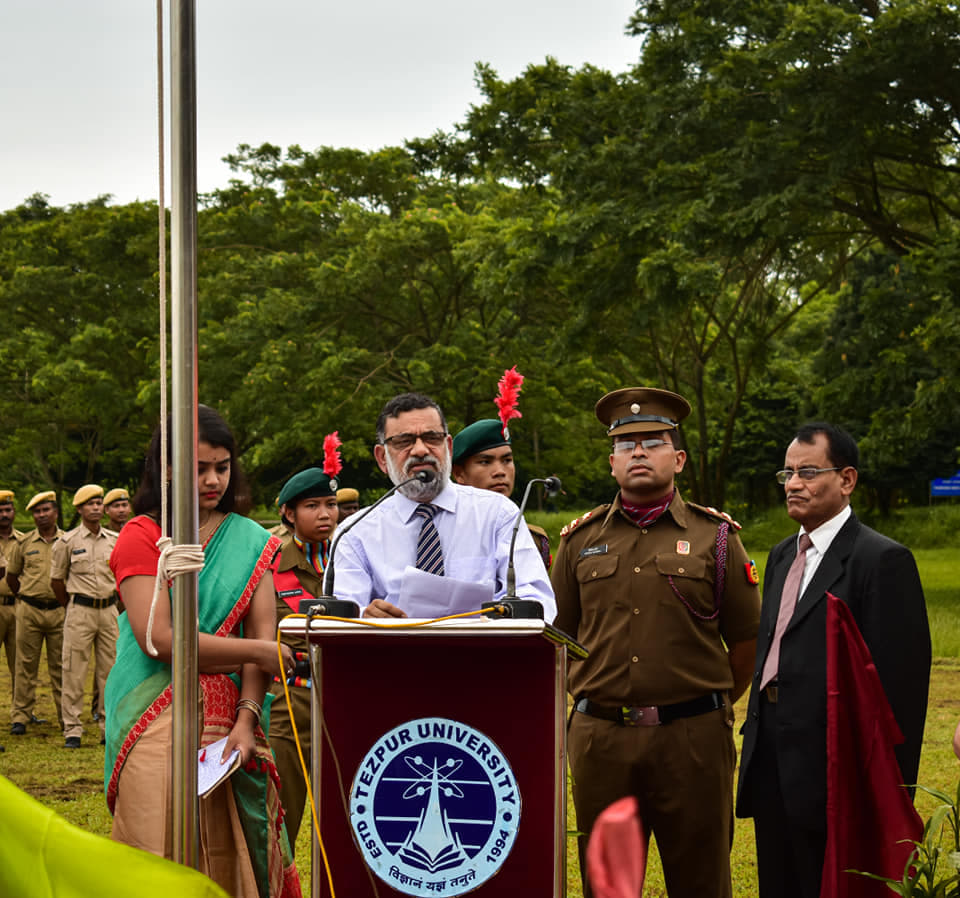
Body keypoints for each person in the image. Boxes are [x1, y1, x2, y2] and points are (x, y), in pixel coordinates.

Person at [552, 387, 760, 898]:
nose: (639, 452)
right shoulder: (579, 542)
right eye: (627, 444)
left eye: (653, 441)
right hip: (601, 739)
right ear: (612, 462)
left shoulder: (716, 538)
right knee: (608, 883)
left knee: (701, 878)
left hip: (691, 739)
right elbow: (559, 638)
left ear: (679, 458)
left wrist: (705, 704)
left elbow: (747, 639)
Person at [103, 406, 301, 898]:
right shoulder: (143, 535)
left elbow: (262, 633)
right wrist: (258, 651)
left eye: (223, 466)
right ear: (165, 468)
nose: (213, 480)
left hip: (227, 727)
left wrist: (246, 721)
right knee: (157, 850)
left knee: (228, 855)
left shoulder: (252, 540)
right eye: (199, 468)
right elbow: (161, 640)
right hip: (151, 716)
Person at [736, 422, 931, 898]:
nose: (793, 484)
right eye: (787, 473)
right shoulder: (782, 555)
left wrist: (889, 791)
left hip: (833, 766)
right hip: (772, 755)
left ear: (847, 480)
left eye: (808, 472)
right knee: (778, 880)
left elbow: (901, 691)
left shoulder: (881, 560)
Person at [334, 392, 556, 619]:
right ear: (382, 458)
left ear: (448, 447)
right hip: (391, 652)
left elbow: (536, 599)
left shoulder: (498, 514)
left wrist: (495, 622)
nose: (420, 450)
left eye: (432, 438)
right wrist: (364, 619)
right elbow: (340, 614)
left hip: (484, 651)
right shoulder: (354, 532)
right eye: (404, 441)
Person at [269, 466, 339, 851]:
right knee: (282, 817)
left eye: (330, 504)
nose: (326, 514)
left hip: (345, 697)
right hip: (290, 702)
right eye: (312, 505)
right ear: (288, 513)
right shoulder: (269, 562)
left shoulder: (352, 557)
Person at [50, 484, 118, 748]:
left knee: (109, 671)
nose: (96, 507)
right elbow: (57, 580)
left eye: (99, 502)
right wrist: (71, 605)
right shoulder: (67, 542)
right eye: (90, 503)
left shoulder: (113, 540)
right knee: (73, 669)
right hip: (79, 609)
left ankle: (106, 726)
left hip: (108, 609)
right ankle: (73, 729)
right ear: (79, 509)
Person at [452, 418, 552, 568]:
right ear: (459, 473)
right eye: (485, 462)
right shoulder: (440, 534)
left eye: (507, 460)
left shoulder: (532, 540)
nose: (500, 472)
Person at [6, 490, 64, 736]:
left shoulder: (67, 541)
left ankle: (66, 717)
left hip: (59, 611)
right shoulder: (24, 543)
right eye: (37, 512)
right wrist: (28, 596)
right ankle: (20, 716)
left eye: (45, 510)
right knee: (24, 665)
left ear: (55, 512)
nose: (41, 515)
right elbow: (12, 577)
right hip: (28, 610)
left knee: (61, 666)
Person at [0, 490, 24, 719]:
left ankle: (20, 713)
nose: (4, 514)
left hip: (17, 607)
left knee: (19, 663)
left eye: (8, 510)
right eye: (0, 511)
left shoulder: (23, 541)